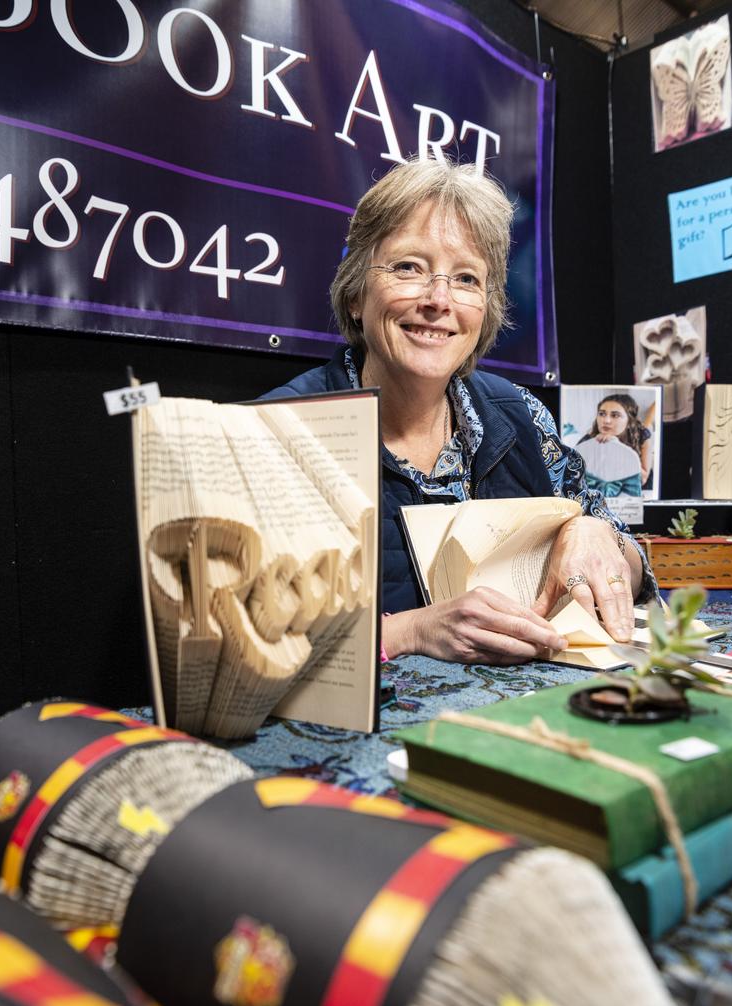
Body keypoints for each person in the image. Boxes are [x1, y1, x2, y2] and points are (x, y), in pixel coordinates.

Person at [263, 159, 656, 665]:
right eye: (409, 267)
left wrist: (596, 534)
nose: (438, 299)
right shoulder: (276, 433)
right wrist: (407, 631)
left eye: (466, 278)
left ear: (485, 308)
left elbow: (637, 567)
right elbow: (236, 646)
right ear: (358, 292)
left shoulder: (523, 417)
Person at [577, 394, 653, 493]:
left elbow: (642, 479)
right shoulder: (588, 441)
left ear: (629, 420)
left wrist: (615, 446)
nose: (606, 420)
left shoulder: (642, 436)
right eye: (602, 414)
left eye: (615, 415)